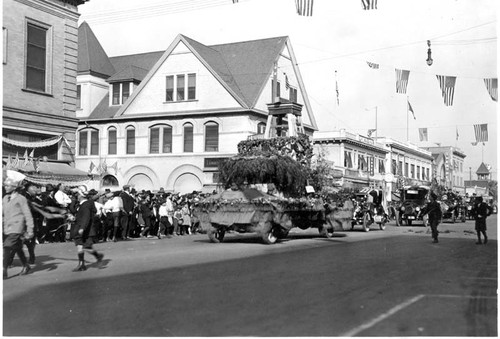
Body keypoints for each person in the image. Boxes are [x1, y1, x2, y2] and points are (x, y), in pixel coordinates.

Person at [3, 177, 35, 279]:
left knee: (7, 246)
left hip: (17, 227)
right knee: (17, 247)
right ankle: (26, 266)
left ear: (14, 187)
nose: (5, 187)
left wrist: (30, 229)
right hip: (7, 227)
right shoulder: (5, 198)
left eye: (7, 185)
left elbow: (27, 214)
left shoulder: (21, 199)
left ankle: (3, 270)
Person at [71, 190, 104, 272]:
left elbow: (86, 217)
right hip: (81, 227)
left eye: (77, 194)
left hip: (86, 229)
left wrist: (82, 227)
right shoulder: (84, 204)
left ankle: (98, 256)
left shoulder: (86, 205)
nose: (76, 196)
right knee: (79, 245)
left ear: (81, 196)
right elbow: (77, 213)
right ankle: (81, 264)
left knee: (86, 247)